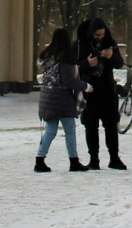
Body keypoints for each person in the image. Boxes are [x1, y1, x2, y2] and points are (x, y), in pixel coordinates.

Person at [33, 27, 88, 172]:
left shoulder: (48, 56)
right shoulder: (66, 58)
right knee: (70, 130)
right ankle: (73, 161)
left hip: (47, 98)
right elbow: (70, 81)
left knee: (50, 130)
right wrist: (86, 86)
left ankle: (39, 160)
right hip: (62, 100)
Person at [78, 18, 125, 169]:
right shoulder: (80, 45)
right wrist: (87, 64)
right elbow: (73, 67)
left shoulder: (110, 43)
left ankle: (114, 157)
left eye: (102, 34)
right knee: (91, 126)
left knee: (111, 125)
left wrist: (111, 56)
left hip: (107, 91)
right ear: (91, 33)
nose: (100, 37)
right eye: (97, 35)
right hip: (89, 92)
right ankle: (94, 159)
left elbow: (119, 63)